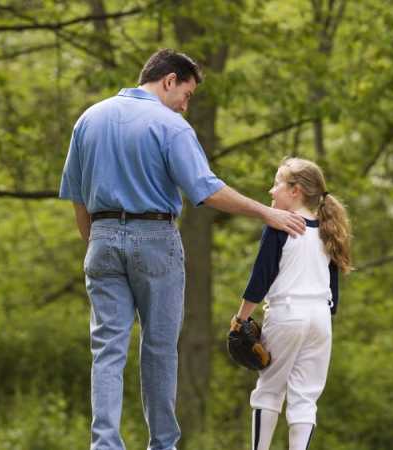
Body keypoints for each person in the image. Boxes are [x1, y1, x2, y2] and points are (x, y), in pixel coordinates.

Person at [59, 48, 307, 450]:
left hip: (101, 238)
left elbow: (76, 195)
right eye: (187, 95)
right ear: (169, 80)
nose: (186, 106)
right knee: (157, 348)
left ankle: (104, 444)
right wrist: (267, 213)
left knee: (107, 347)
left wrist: (97, 241)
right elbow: (205, 190)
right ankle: (162, 445)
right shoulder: (169, 126)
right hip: (154, 239)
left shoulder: (89, 118)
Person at [233, 157, 352, 450]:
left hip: (288, 312)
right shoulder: (326, 228)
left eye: (277, 184)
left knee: (269, 391)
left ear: (295, 190)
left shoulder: (279, 226)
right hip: (321, 318)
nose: (271, 191)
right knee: (305, 397)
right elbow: (332, 285)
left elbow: (260, 279)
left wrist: (240, 320)